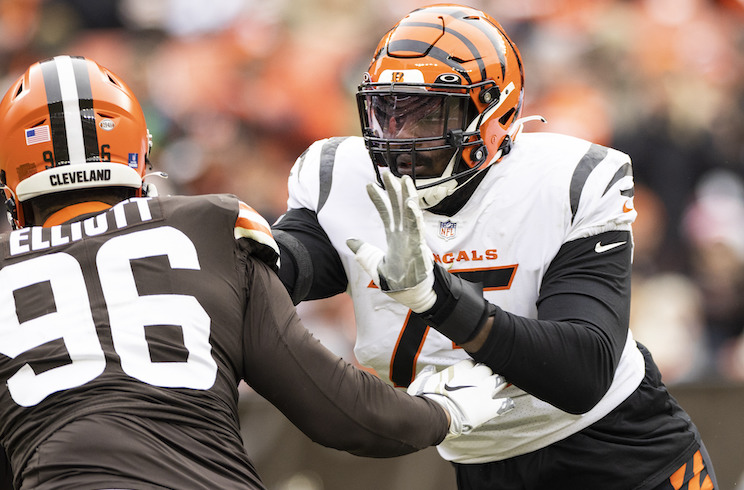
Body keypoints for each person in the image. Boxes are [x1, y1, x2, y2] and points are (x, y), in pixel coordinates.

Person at [0, 55, 514, 490]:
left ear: (9, 179)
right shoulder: (209, 229)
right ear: (139, 158)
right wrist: (445, 411)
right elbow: (340, 412)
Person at [272, 5, 717, 489]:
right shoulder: (343, 176)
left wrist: (438, 299)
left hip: (618, 452)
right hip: (483, 466)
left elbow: (582, 372)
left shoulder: (566, 182)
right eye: (389, 110)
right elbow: (289, 266)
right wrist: (239, 252)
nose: (399, 138)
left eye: (428, 114)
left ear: (492, 112)